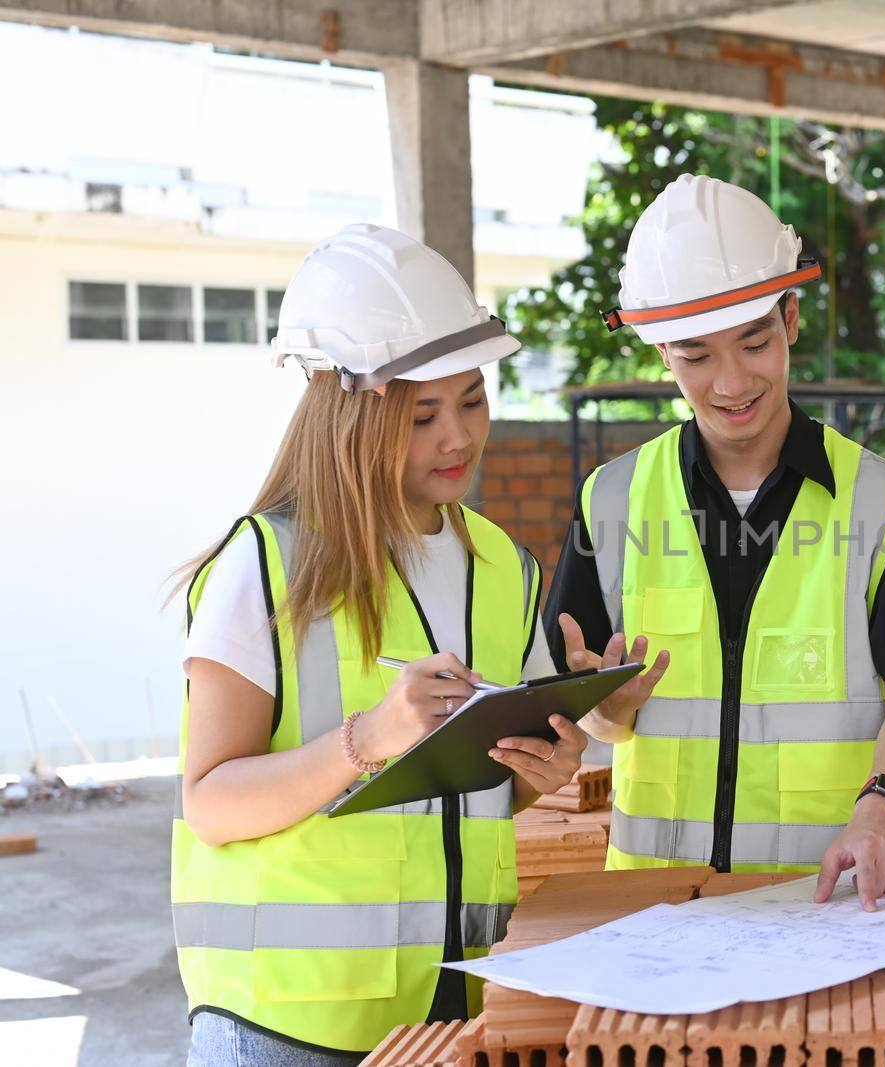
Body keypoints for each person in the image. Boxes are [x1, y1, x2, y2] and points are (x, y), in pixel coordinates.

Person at [170, 224, 663, 1064]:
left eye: (472, 399)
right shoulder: (267, 563)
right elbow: (210, 801)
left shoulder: (502, 566)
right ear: (349, 411)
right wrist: (368, 739)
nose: (458, 437)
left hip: (451, 1004)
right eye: (424, 413)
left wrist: (541, 770)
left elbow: (463, 801)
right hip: (286, 1024)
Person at [546, 175, 885, 911]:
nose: (732, 381)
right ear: (661, 352)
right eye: (697, 356)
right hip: (653, 913)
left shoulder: (883, 497)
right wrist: (607, 707)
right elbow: (592, 718)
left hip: (824, 898)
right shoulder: (609, 500)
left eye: (754, 342)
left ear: (792, 318)